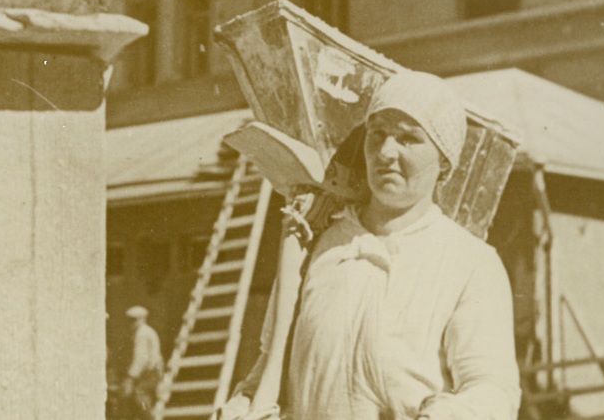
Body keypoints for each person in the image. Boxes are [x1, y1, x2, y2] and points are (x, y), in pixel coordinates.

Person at [224, 70, 520, 420]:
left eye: (408, 139)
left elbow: (492, 391)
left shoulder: (470, 263)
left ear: (444, 163)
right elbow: (270, 368)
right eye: (377, 134)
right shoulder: (315, 245)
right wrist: (242, 405)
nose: (386, 152)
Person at [122, 305, 165, 420]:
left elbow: (141, 358)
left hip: (150, 371)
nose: (131, 324)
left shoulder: (142, 333)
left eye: (134, 320)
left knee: (139, 395)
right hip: (149, 371)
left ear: (141, 319)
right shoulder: (145, 332)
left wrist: (131, 376)